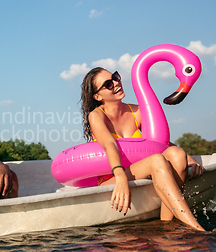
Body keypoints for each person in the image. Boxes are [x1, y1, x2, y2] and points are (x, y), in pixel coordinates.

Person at [81, 67, 205, 231]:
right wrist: (120, 177)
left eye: (116, 77)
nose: (117, 83)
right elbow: (109, 144)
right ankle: (195, 228)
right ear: (98, 96)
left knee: (177, 154)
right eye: (108, 84)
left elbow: (160, 142)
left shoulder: (138, 111)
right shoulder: (96, 116)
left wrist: (190, 159)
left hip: (139, 170)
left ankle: (167, 227)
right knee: (157, 160)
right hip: (112, 176)